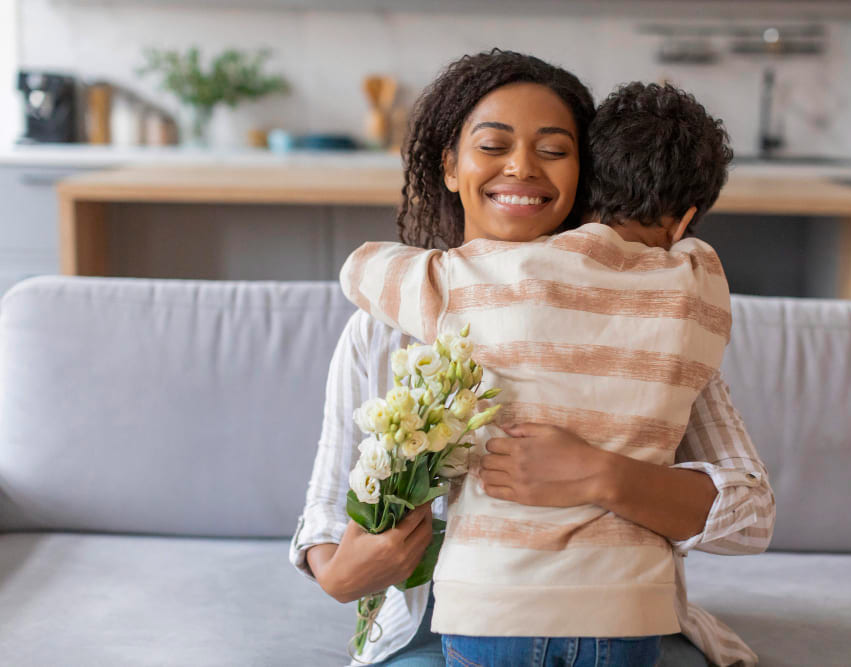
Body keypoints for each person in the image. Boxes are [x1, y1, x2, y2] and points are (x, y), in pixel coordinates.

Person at [290, 49, 775, 667]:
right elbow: (326, 513)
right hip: (436, 628)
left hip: (621, 619)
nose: (521, 167)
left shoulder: (648, 317)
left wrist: (603, 474)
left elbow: (750, 515)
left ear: (587, 176)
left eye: (553, 151)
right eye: (493, 145)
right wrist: (337, 572)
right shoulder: (383, 328)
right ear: (450, 165)